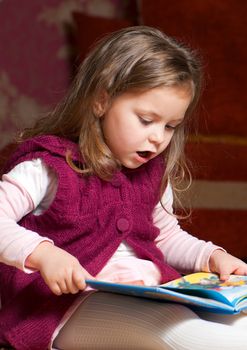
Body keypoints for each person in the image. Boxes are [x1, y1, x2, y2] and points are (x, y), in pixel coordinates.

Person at [0, 26, 247, 350]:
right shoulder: (48, 166)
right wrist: (43, 254)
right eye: (146, 120)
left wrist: (210, 256)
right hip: (68, 306)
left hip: (149, 293)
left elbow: (164, 236)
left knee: (239, 326)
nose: (159, 137)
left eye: (170, 126)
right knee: (188, 337)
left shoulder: (152, 173)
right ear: (101, 100)